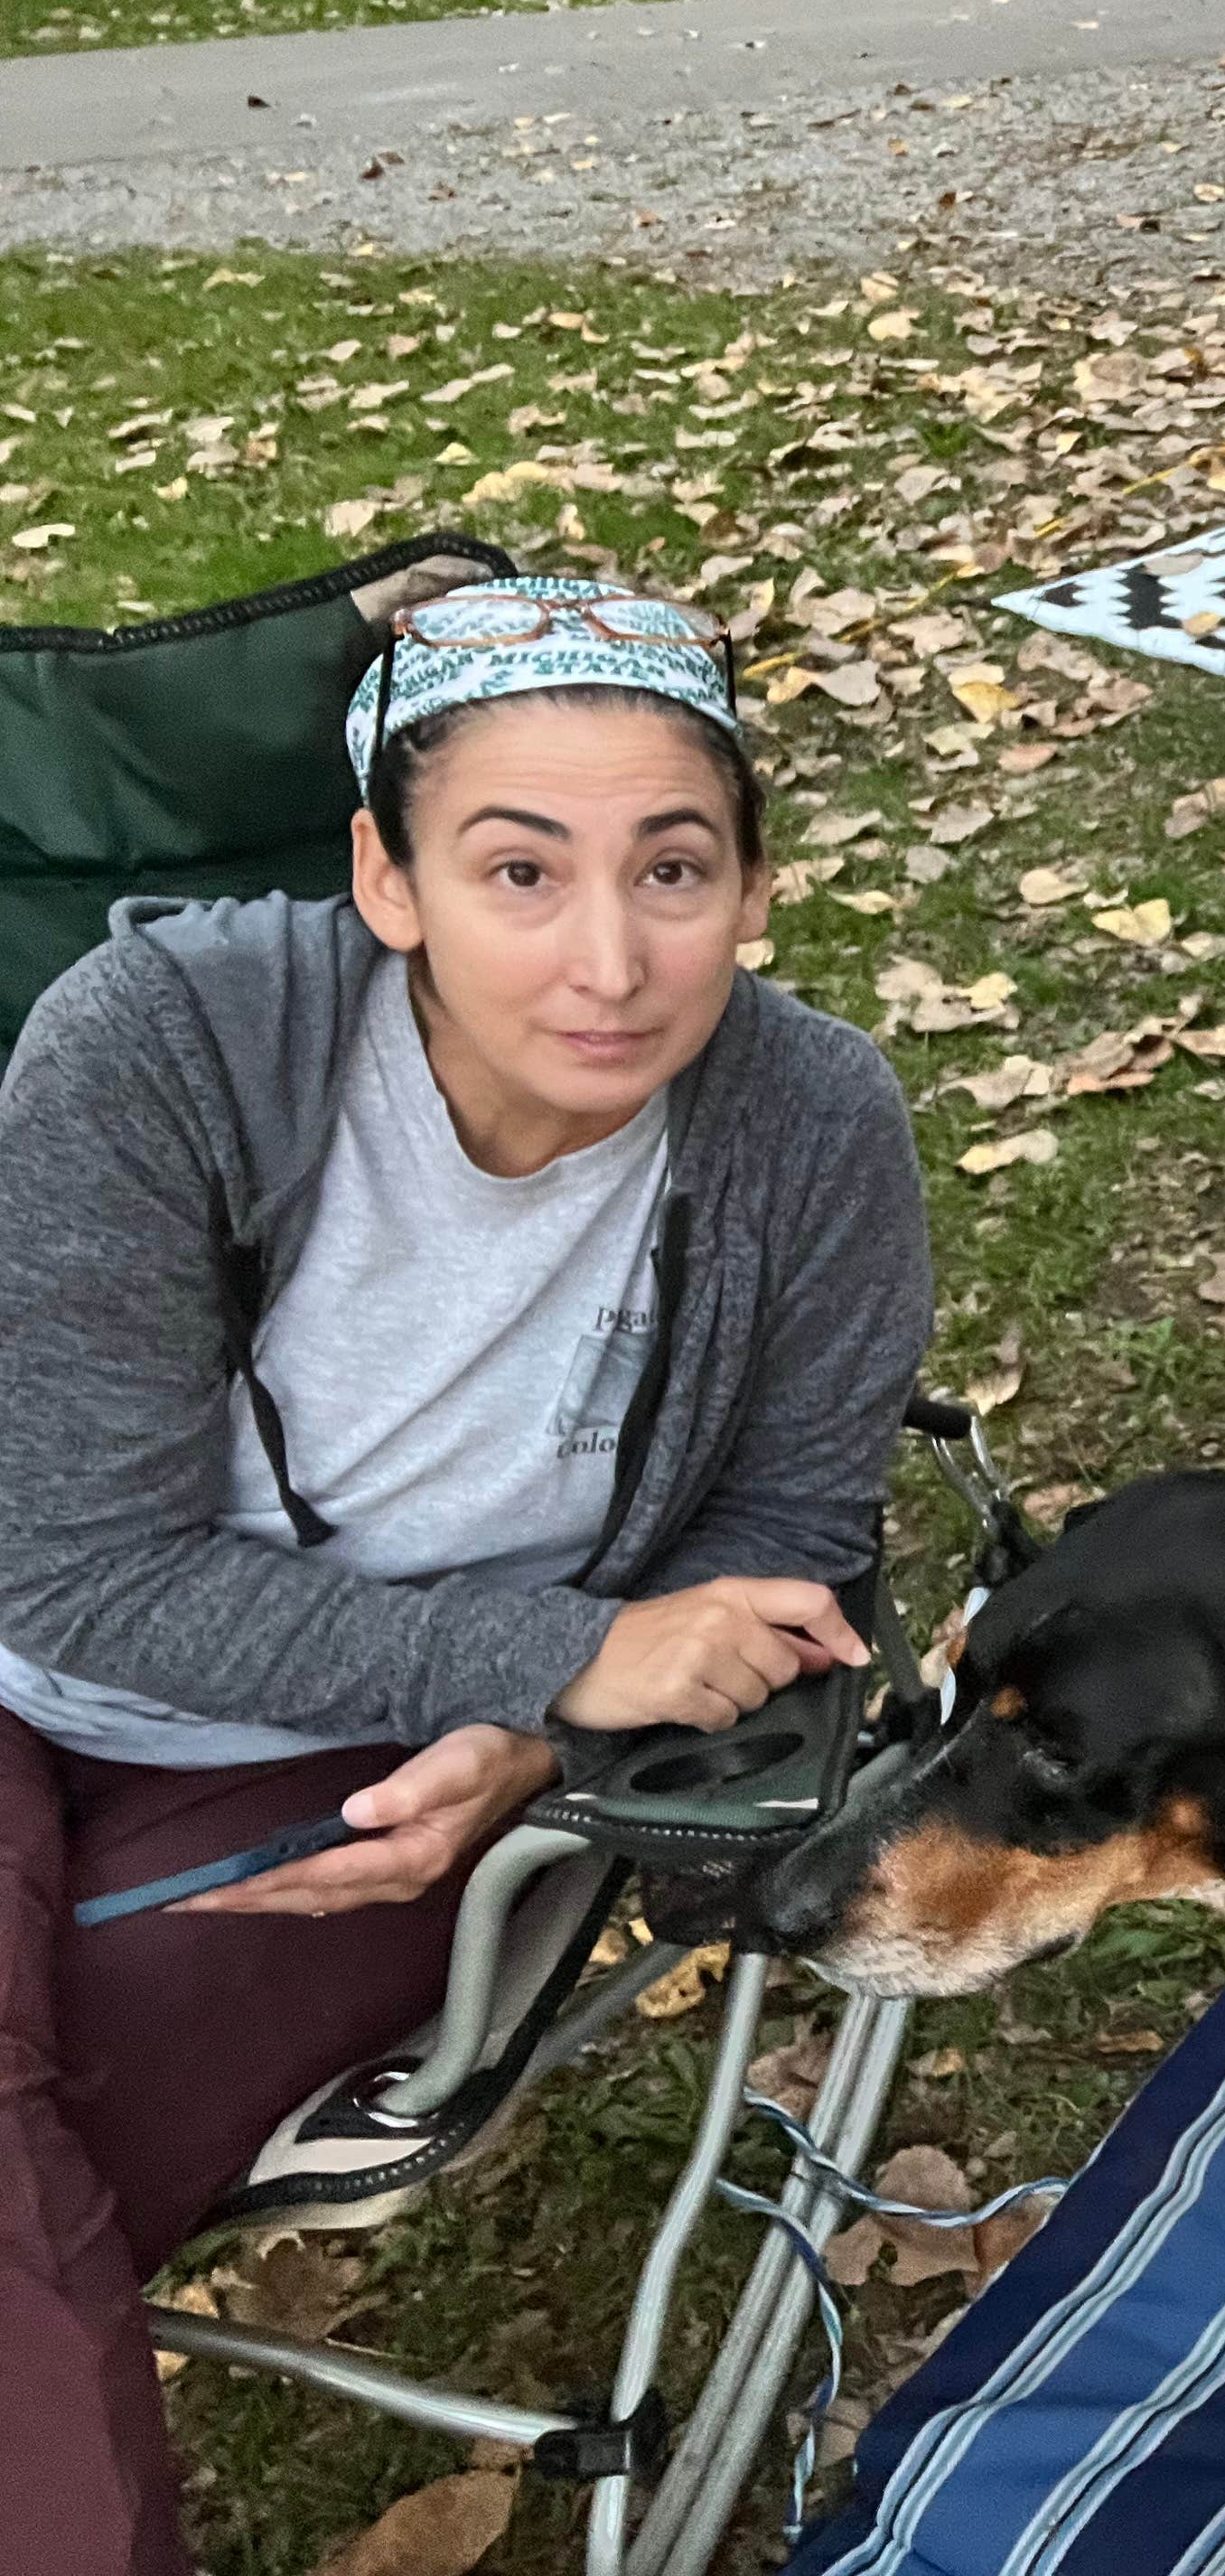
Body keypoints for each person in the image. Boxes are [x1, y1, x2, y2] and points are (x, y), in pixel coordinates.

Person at [0, 577, 935, 2576]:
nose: (608, 961)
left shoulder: (812, 1129)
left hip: (366, 1782)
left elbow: (790, 1552)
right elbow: (66, 1574)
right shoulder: (162, 1045)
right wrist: (565, 1656)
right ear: (386, 877)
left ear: (757, 885)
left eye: (672, 868)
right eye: (520, 870)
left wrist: (531, 1736)